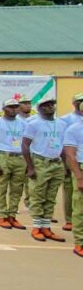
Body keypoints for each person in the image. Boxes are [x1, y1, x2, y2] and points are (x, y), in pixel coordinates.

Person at [22, 97, 68, 242]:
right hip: (40, 162)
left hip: (56, 162)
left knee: (50, 197)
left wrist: (65, 166)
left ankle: (46, 227)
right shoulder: (33, 124)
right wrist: (30, 167)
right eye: (46, 106)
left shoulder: (61, 124)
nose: (50, 108)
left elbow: (63, 146)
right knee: (38, 196)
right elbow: (24, 146)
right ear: (40, 108)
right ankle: (37, 227)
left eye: (52, 105)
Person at [0, 99, 26, 227]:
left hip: (20, 157)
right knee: (1, 188)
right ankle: (2, 215)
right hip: (3, 156)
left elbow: (26, 144)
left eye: (16, 107)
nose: (14, 109)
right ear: (4, 109)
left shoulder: (23, 123)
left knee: (17, 189)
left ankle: (12, 215)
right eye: (10, 107)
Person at [59, 93, 83, 232]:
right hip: (72, 160)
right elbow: (63, 143)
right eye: (80, 101)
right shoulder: (66, 120)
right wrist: (65, 163)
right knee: (71, 192)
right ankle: (69, 220)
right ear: (74, 103)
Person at [62, 118, 83, 257]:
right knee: (80, 207)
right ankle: (80, 242)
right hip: (81, 168)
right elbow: (70, 154)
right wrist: (79, 177)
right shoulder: (74, 129)